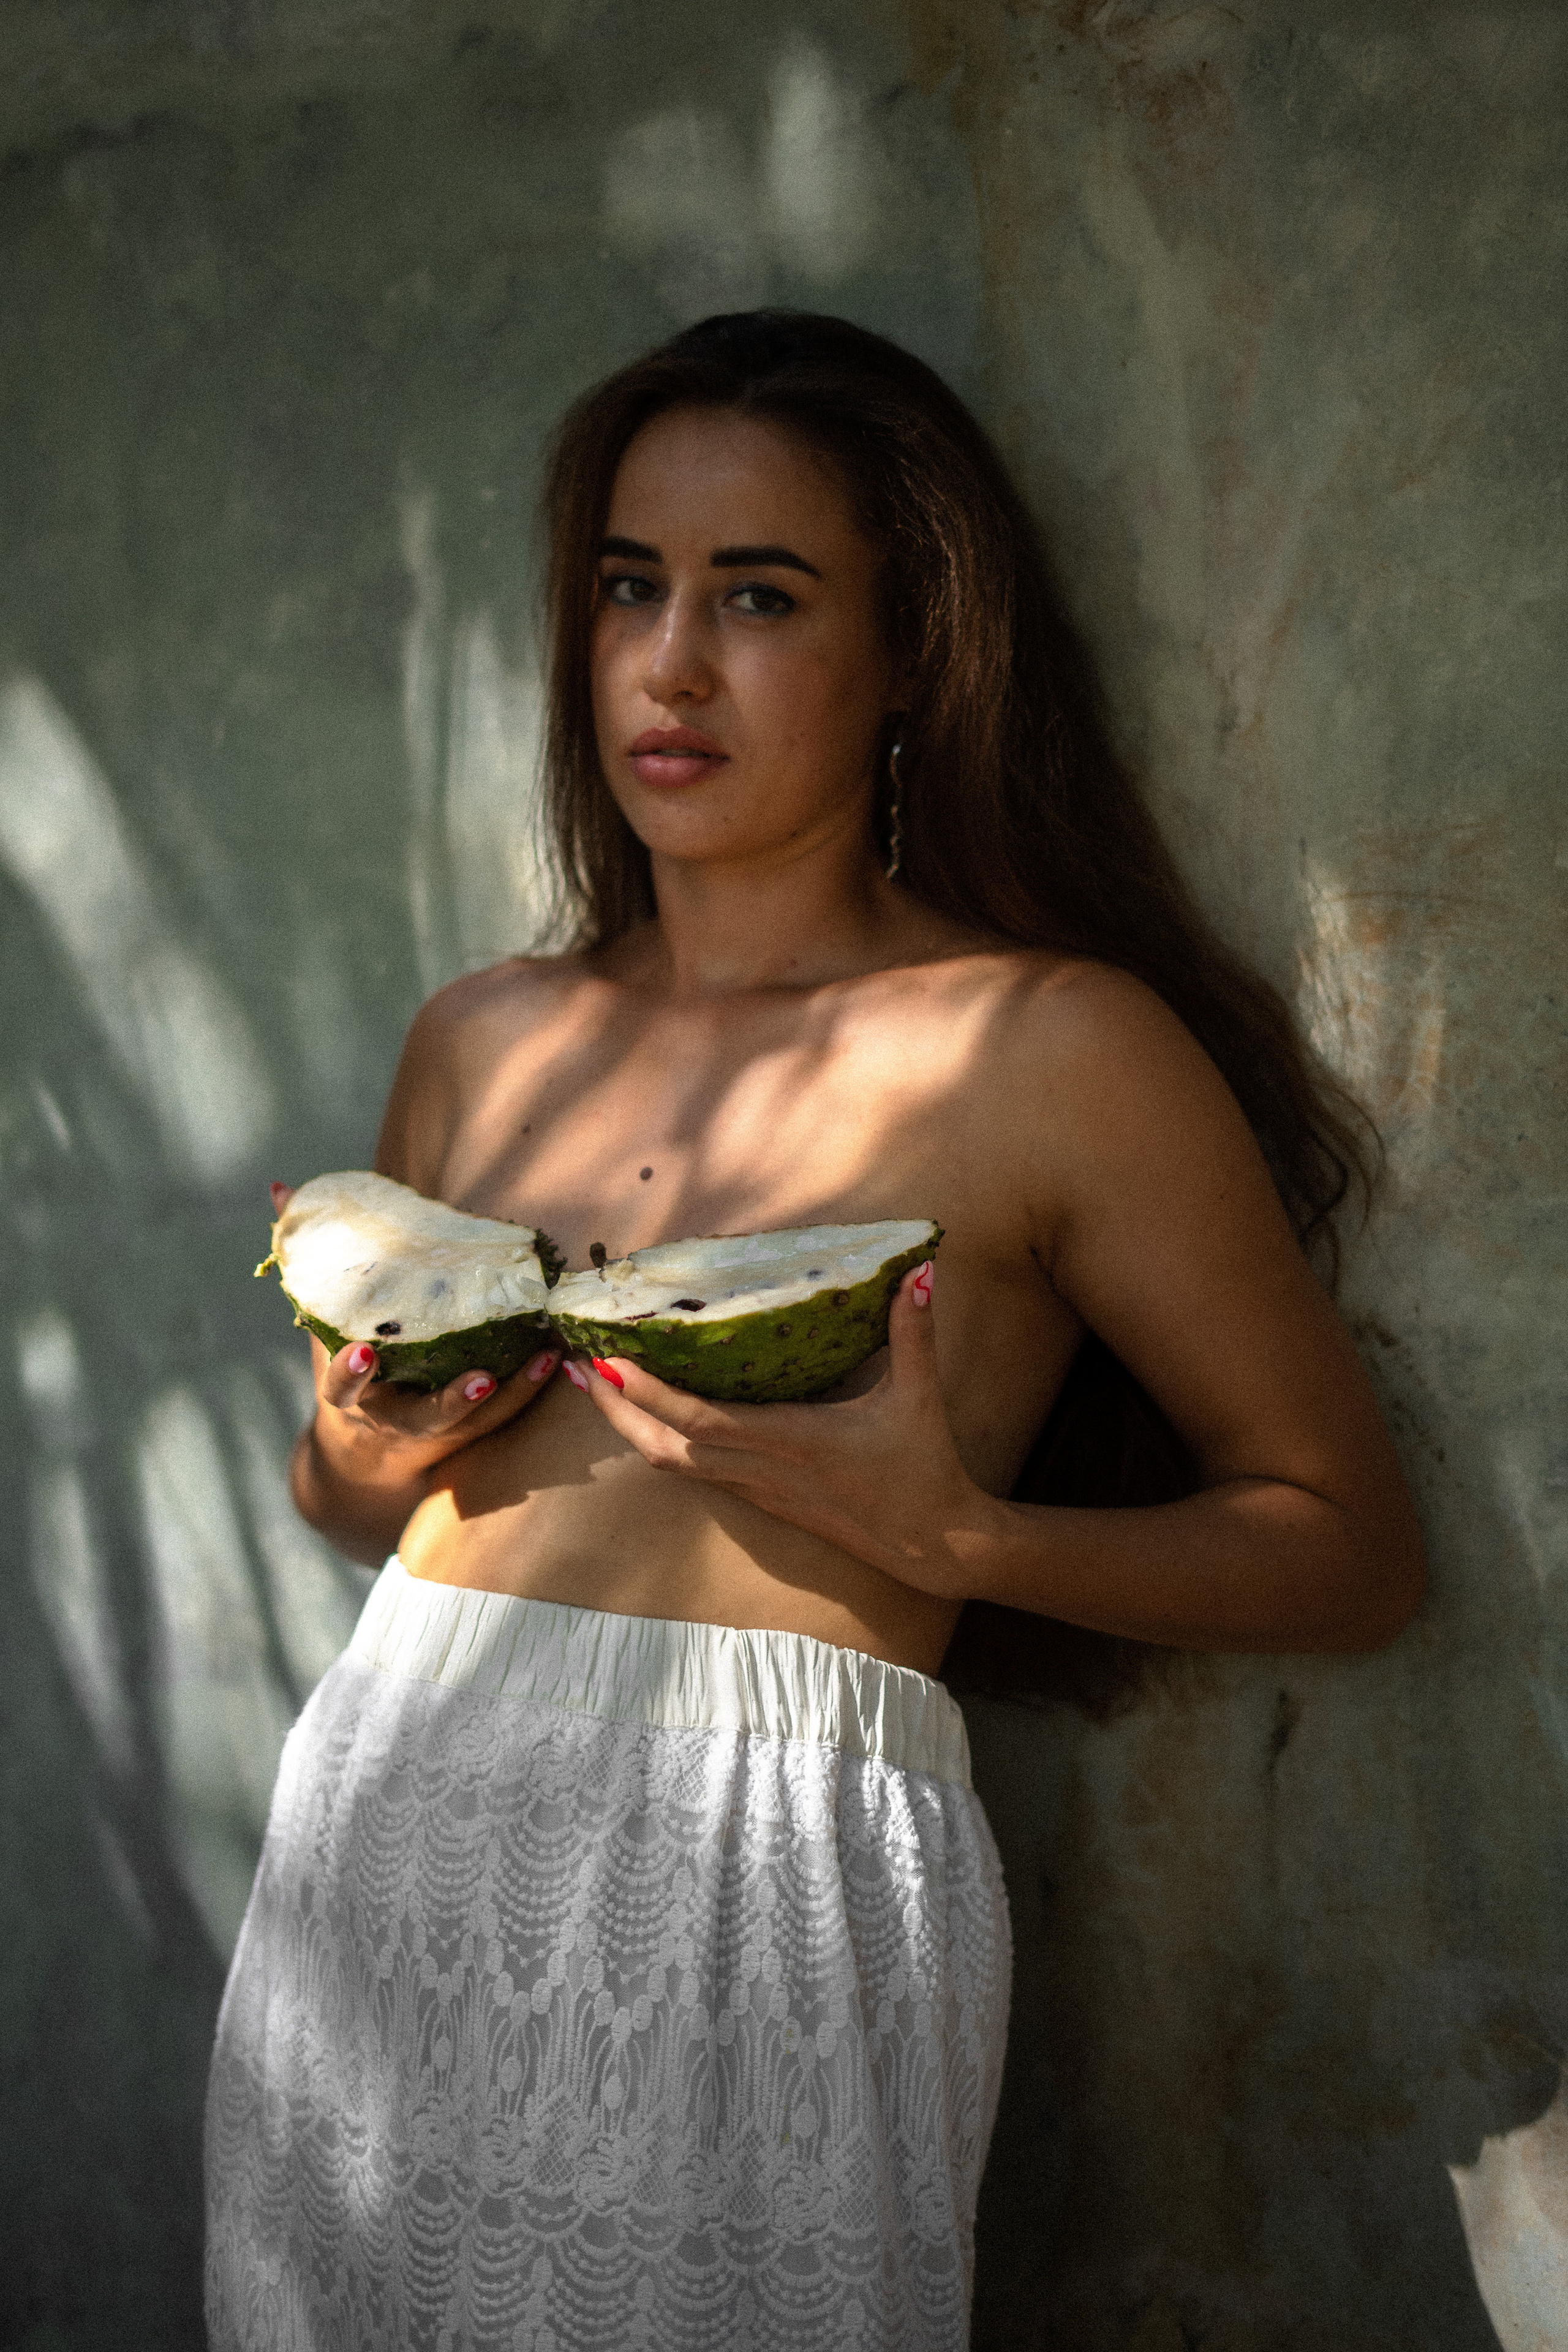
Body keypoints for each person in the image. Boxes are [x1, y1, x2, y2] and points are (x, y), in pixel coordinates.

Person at [204, 311, 1424, 2352]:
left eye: (758, 598)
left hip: (753, 1879)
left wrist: (967, 1547)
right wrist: (362, 1439)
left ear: (912, 657)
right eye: (629, 587)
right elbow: (349, 1501)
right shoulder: (483, 1036)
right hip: (383, 1849)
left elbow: (1353, 1549)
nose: (669, 664)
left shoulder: (1053, 1052)